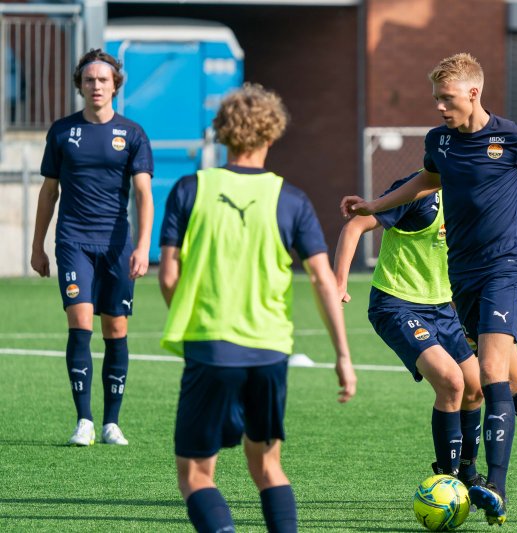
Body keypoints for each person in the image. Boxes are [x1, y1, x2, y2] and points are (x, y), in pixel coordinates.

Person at [342, 53, 517, 524]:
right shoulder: (439, 142)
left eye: (446, 99)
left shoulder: (515, 139)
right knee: (512, 380)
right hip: (461, 278)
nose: (439, 108)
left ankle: (495, 488)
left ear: (473, 93)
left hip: (504, 270)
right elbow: (427, 180)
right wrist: (374, 204)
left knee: (488, 373)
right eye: (436, 100)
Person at [159, 83, 357, 533]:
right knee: (268, 467)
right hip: (270, 351)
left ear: (222, 133)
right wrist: (343, 355)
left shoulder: (190, 190)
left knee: (195, 475)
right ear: (273, 134)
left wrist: (192, 319)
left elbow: (167, 276)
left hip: (210, 348)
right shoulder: (292, 200)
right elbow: (324, 280)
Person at [30, 48, 154, 447]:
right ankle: (84, 420)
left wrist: (143, 247)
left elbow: (143, 194)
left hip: (117, 245)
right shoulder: (63, 131)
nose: (96, 85)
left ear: (115, 85)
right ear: (80, 85)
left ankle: (111, 423)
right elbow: (49, 192)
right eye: (89, 80)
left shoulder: (132, 134)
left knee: (115, 329)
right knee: (80, 324)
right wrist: (38, 245)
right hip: (73, 242)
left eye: (103, 79)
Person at [334, 170, 485, 487]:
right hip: (396, 304)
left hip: (443, 308)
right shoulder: (418, 192)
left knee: (475, 386)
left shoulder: (469, 197)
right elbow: (355, 226)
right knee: (450, 381)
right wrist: (338, 284)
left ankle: (470, 476)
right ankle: (447, 479)